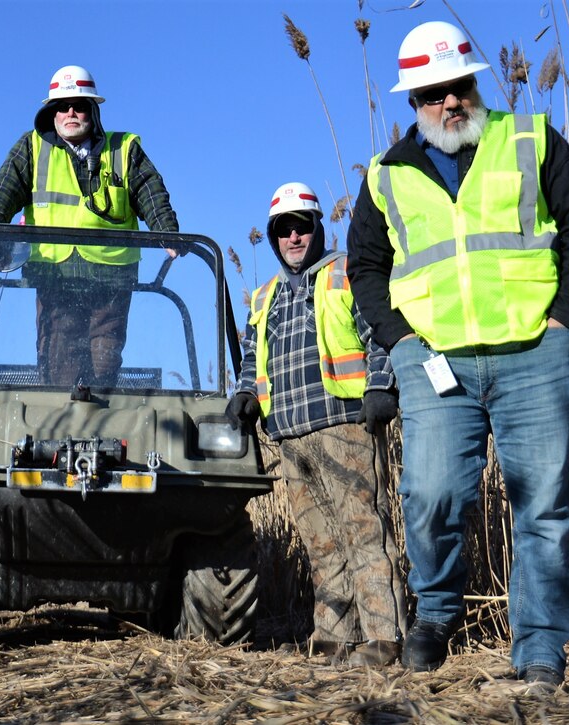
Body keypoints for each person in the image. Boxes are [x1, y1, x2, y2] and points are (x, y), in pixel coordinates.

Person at [346, 20, 569, 687]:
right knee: (431, 493)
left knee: (542, 508)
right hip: (438, 361)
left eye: (458, 85)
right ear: (414, 100)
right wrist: (401, 342)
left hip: (534, 354)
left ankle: (541, 651)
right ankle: (435, 608)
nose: (449, 102)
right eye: (433, 92)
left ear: (475, 83)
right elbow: (365, 266)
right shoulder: (385, 177)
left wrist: (563, 322)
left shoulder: (530, 140)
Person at [227, 182, 407, 668]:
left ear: (316, 228)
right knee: (320, 544)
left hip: (343, 425)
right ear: (273, 237)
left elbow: (381, 335)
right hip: (288, 433)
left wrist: (380, 388)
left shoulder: (348, 272)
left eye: (300, 227)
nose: (293, 237)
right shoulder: (263, 297)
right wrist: (245, 393)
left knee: (364, 531)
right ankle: (333, 639)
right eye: (283, 230)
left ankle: (384, 638)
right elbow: (251, 356)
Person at [0, 64, 179, 388]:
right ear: (52, 112)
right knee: (61, 370)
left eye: (79, 105)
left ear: (93, 111)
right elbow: (1, 194)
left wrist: (167, 231)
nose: (71, 112)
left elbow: (150, 191)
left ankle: (103, 432)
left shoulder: (124, 149)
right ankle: (61, 435)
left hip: (111, 279)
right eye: (62, 106)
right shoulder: (31, 148)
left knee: (104, 365)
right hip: (55, 277)